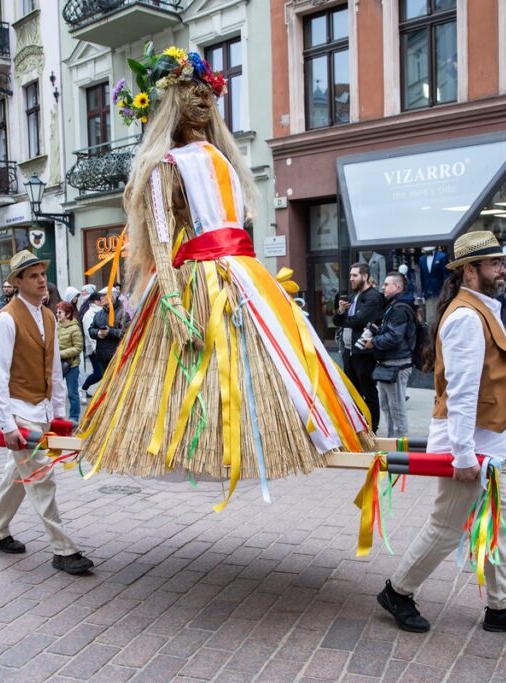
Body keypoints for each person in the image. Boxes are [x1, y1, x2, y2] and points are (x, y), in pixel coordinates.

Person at [78, 45, 373, 491]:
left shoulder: (225, 162)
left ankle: (275, 439)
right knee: (201, 374)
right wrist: (172, 300)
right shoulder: (165, 166)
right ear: (170, 102)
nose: (202, 98)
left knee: (275, 361)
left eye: (207, 92)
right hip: (201, 281)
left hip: (241, 276)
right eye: (190, 91)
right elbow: (161, 238)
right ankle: (203, 448)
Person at [376, 230, 506, 636]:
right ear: (470, 270)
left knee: (499, 525)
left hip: (490, 446)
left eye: (502, 262)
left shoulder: (482, 310)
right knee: (446, 527)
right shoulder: (468, 318)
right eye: (494, 263)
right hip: (472, 449)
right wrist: (464, 455)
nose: (502, 269)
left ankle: (501, 607)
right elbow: (461, 392)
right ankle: (397, 591)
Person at [0, 250, 94, 575]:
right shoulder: (5, 320)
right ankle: (63, 549)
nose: (42, 280)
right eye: (33, 275)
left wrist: (58, 415)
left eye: (42, 273)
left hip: (41, 410)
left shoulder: (48, 316)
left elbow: (55, 370)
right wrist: (6, 425)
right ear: (17, 282)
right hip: (19, 412)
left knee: (17, 475)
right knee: (42, 477)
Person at [362, 272, 416, 438]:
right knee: (388, 407)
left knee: (397, 408)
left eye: (386, 284)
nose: (382, 287)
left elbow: (394, 337)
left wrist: (374, 341)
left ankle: (401, 447)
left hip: (397, 364)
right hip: (389, 363)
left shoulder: (400, 308)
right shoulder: (394, 306)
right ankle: (393, 443)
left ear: (397, 287)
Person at [333, 262, 384, 431]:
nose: (351, 279)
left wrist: (344, 319)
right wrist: (341, 311)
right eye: (350, 275)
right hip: (349, 351)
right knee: (353, 391)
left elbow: (358, 321)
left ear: (365, 276)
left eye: (355, 275)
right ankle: (359, 426)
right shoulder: (353, 296)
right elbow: (337, 321)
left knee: (368, 391)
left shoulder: (373, 297)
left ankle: (372, 428)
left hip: (363, 352)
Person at [88, 287, 129, 384]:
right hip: (102, 356)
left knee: (116, 384)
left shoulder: (123, 314)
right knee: (105, 385)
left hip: (117, 356)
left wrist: (109, 332)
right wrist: (98, 333)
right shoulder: (98, 314)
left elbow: (126, 332)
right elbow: (90, 330)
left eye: (103, 295)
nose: (100, 298)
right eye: (100, 296)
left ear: (112, 297)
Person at [57, 301, 84, 422]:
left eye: (60, 313)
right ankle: (57, 416)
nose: (57, 314)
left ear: (68, 314)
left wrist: (60, 354)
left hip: (72, 365)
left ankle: (74, 417)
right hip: (58, 364)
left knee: (72, 393)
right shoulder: (57, 326)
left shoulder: (75, 328)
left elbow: (78, 348)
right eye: (57, 312)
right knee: (56, 392)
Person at [80, 288, 103, 398]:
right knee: (99, 373)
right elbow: (89, 334)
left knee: (104, 372)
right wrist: (94, 348)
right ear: (93, 301)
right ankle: (83, 388)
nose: (101, 301)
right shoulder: (88, 315)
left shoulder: (102, 311)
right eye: (99, 300)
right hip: (94, 349)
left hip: (104, 347)